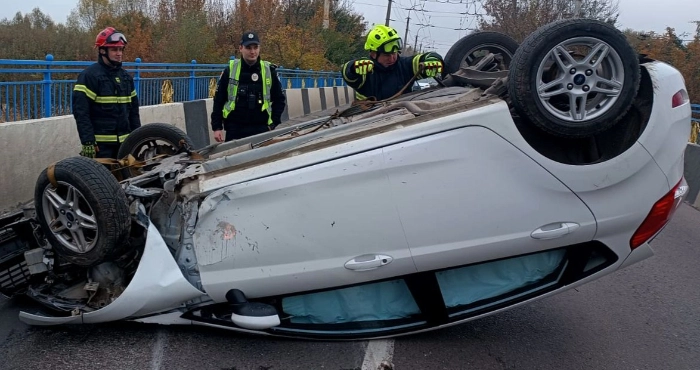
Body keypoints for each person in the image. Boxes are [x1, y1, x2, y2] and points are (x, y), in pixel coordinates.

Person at [73, 27, 141, 159]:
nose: (119, 53)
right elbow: (81, 112)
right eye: (114, 49)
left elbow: (133, 112)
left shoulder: (126, 78)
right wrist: (88, 141)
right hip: (101, 147)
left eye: (121, 49)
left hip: (125, 146)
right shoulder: (89, 76)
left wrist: (137, 138)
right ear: (103, 51)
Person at [211, 31, 286, 142]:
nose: (253, 52)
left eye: (255, 47)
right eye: (248, 48)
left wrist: (273, 124)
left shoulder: (269, 70)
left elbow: (280, 99)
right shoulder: (230, 70)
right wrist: (217, 127)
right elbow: (219, 100)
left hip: (261, 128)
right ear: (241, 48)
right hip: (235, 128)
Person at [342, 25, 444, 101]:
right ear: (373, 54)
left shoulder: (404, 65)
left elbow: (425, 58)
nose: (392, 58)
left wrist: (433, 60)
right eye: (387, 55)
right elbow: (347, 72)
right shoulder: (365, 69)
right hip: (367, 118)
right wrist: (353, 67)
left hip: (402, 116)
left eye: (394, 53)